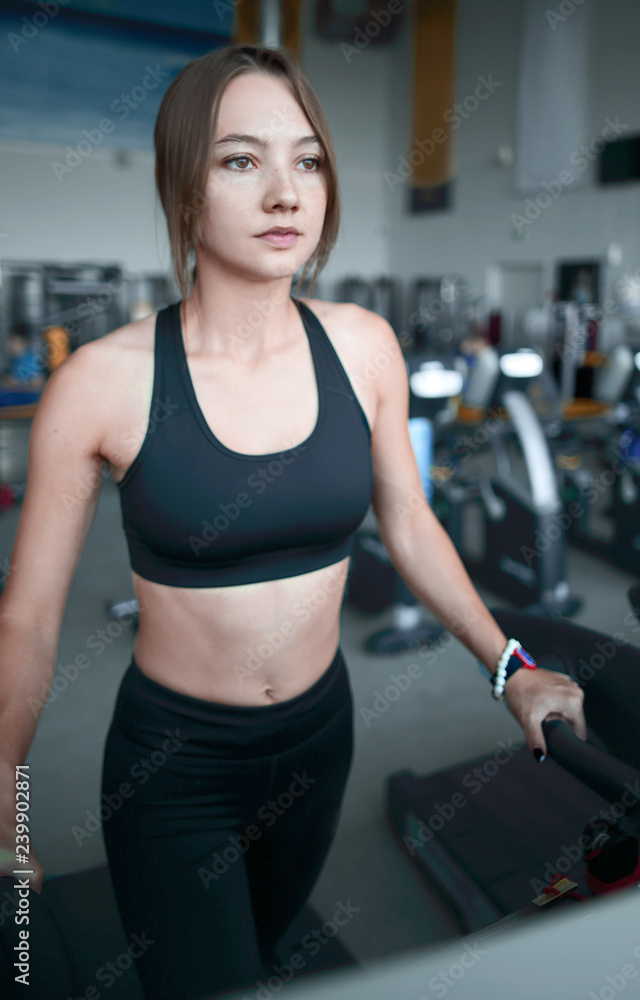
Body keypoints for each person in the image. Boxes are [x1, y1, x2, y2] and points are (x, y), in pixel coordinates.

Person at [0, 43, 586, 1000]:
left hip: (320, 742)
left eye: (306, 159)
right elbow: (26, 616)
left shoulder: (362, 346)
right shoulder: (102, 383)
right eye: (241, 159)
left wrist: (508, 668)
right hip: (172, 764)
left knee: (271, 955)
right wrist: (4, 775)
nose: (285, 191)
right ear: (182, 187)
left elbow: (410, 520)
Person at [0, 323, 46, 392]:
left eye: (13, 341)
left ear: (23, 341)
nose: (9, 344)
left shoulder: (31, 359)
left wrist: (15, 382)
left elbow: (39, 383)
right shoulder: (15, 360)